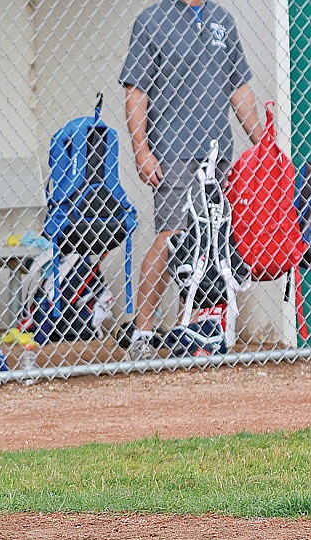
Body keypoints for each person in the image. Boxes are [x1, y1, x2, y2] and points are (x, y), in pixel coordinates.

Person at [120, 0, 262, 360]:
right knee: (173, 236)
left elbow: (238, 89)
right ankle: (143, 329)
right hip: (173, 150)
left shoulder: (222, 20)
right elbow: (136, 92)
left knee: (209, 241)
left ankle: (195, 330)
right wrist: (141, 150)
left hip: (218, 151)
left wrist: (264, 144)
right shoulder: (151, 20)